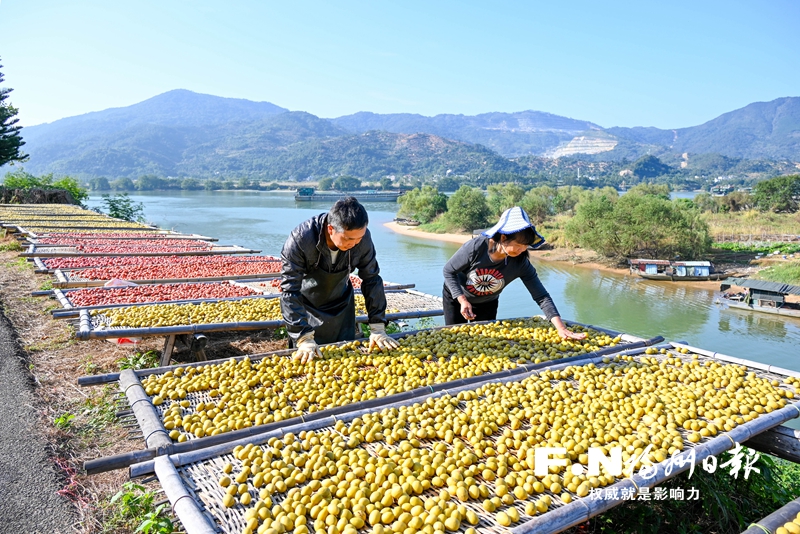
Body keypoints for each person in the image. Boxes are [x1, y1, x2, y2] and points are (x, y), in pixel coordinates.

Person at [280, 197, 400, 362]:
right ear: (331, 229)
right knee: (308, 360)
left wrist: (378, 327)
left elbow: (372, 279)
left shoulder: (362, 240)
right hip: (308, 307)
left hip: (341, 305)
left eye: (359, 238)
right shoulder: (301, 239)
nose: (354, 244)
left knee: (345, 356)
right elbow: (289, 290)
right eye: (348, 239)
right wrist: (303, 337)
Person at [442, 206, 586, 340]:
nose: (522, 250)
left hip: (487, 303)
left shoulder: (521, 264)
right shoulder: (476, 248)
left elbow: (541, 296)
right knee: (455, 337)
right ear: (503, 238)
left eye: (525, 246)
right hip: (456, 298)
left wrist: (561, 328)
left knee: (484, 339)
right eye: (518, 245)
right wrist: (462, 300)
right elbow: (448, 271)